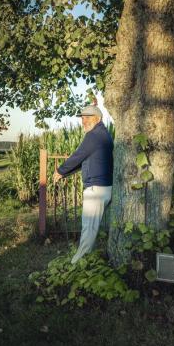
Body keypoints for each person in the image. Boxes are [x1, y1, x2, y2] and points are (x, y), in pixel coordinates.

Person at [53, 105, 113, 264]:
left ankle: (77, 264)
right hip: (103, 187)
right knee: (92, 229)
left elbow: (78, 156)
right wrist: (64, 173)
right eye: (82, 118)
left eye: (87, 117)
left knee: (89, 230)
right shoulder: (104, 134)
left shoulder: (93, 136)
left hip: (96, 190)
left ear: (98, 119)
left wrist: (60, 170)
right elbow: (85, 160)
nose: (83, 121)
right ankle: (88, 260)